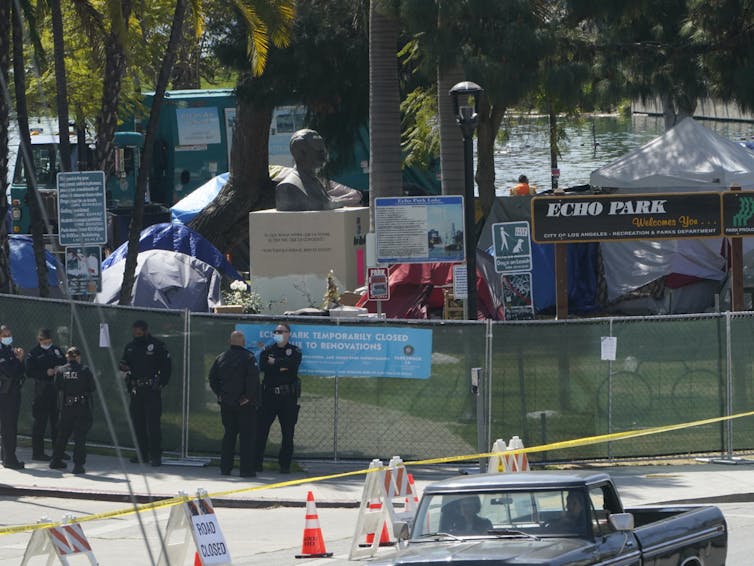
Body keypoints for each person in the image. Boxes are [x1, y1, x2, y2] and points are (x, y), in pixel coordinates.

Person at [119, 320, 171, 467]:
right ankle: (142, 454)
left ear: (146, 331)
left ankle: (155, 455)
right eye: (134, 332)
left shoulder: (157, 345)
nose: (137, 334)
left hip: (151, 390)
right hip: (136, 389)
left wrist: (161, 383)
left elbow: (166, 367)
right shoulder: (130, 347)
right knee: (138, 423)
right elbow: (124, 363)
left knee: (153, 424)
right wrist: (123, 367)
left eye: (139, 332)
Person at [209, 331, 260, 478]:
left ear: (229, 341)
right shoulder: (249, 358)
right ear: (243, 342)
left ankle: (225, 468)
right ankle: (246, 470)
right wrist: (247, 397)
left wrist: (220, 394)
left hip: (227, 403)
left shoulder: (221, 357)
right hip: (245, 405)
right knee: (247, 437)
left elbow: (212, 378)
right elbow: (252, 380)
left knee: (229, 435)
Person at [274, 129, 361, 211]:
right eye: (319, 152)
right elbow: (324, 204)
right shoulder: (288, 187)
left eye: (324, 152)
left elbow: (326, 203)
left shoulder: (316, 181)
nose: (324, 158)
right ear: (300, 153)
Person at [255, 323, 302, 474]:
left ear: (288, 334)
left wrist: (275, 363)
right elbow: (263, 366)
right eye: (275, 331)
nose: (278, 333)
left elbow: (292, 366)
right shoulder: (268, 350)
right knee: (261, 431)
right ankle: (256, 463)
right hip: (268, 396)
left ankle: (284, 465)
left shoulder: (294, 351)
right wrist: (281, 366)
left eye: (281, 331)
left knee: (288, 433)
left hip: (287, 397)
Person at [49, 347, 96, 474]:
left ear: (67, 357)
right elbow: (92, 388)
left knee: (63, 434)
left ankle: (55, 460)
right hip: (81, 406)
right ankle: (78, 465)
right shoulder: (84, 370)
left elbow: (57, 386)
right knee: (80, 436)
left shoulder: (61, 370)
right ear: (78, 357)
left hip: (66, 406)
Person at [25, 329, 67, 461]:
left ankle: (58, 451)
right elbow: (29, 372)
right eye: (45, 342)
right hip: (42, 390)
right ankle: (38, 453)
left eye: (49, 341)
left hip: (56, 389)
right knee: (40, 422)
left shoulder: (56, 350)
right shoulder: (34, 353)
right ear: (39, 340)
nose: (48, 343)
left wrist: (58, 369)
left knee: (57, 422)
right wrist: (45, 372)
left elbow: (65, 363)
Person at [0, 325, 25, 469]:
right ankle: (10, 459)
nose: (8, 338)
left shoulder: (9, 350)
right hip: (5, 393)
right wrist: (17, 359)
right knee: (9, 426)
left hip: (13, 391)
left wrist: (19, 359)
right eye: (5, 335)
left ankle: (5, 455)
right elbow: (9, 371)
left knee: (9, 425)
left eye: (9, 334)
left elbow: (21, 372)